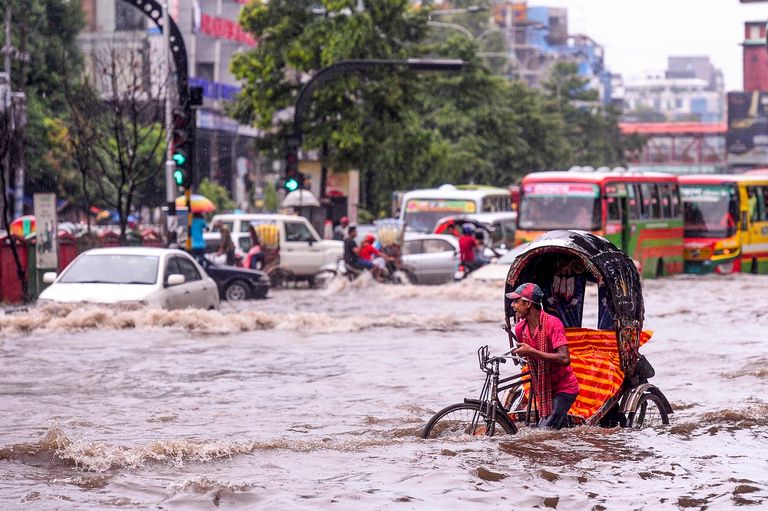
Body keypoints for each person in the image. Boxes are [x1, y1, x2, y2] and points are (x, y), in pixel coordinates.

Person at [509, 282, 580, 430]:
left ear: (528, 304)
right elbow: (523, 360)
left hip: (564, 387)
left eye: (516, 301)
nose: (513, 305)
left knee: (543, 432)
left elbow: (564, 358)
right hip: (542, 387)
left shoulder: (553, 324)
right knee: (550, 430)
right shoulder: (520, 328)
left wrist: (532, 352)